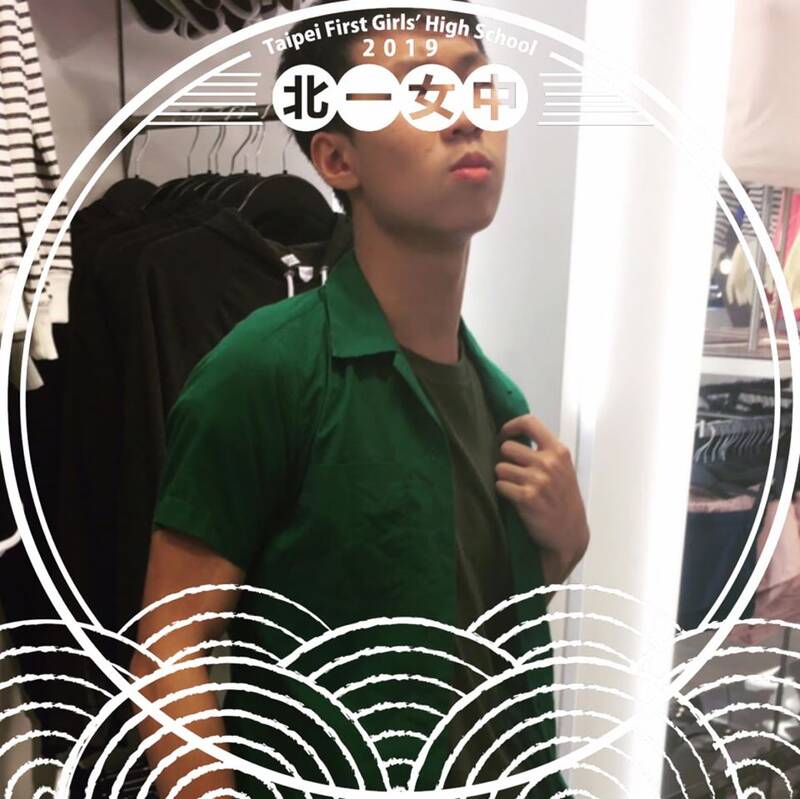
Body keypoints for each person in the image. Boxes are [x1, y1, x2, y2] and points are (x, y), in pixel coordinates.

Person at [130, 2, 590, 796]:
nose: (463, 117)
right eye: (416, 92)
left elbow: (459, 632)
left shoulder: (501, 404)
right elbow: (169, 649)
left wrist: (563, 547)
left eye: (477, 86)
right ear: (338, 157)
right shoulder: (266, 369)